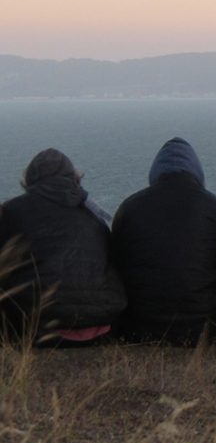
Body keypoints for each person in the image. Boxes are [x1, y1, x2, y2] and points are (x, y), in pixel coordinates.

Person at [110, 137, 216, 345]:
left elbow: (118, 269)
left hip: (139, 328)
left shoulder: (129, 209)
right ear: (197, 172)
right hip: (205, 329)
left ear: (155, 172)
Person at [0, 148, 125, 345]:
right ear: (75, 178)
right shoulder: (94, 217)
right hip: (100, 326)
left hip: (35, 328)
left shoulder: (10, 212)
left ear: (29, 180)